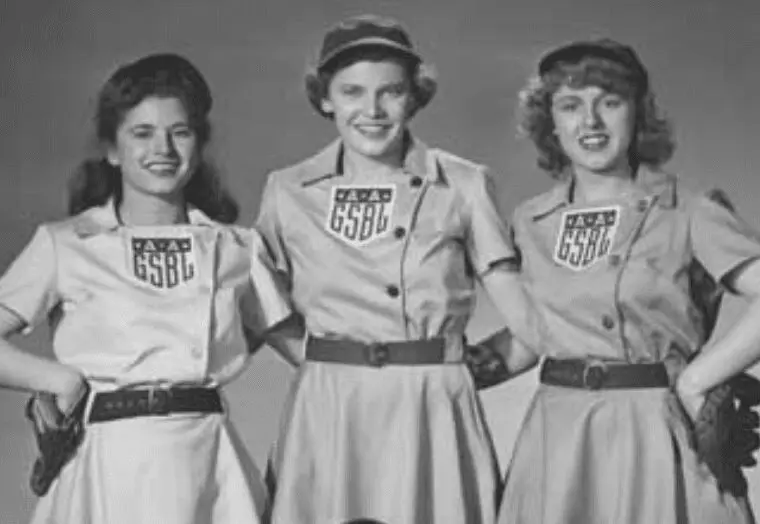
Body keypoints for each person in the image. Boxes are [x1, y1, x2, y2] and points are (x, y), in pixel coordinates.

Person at [257, 14, 539, 524]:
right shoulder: (287, 189)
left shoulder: (462, 184)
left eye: (390, 92)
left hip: (432, 408)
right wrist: (322, 363)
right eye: (351, 92)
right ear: (325, 98)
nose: (371, 110)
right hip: (330, 409)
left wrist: (460, 373)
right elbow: (260, 304)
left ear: (414, 97)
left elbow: (527, 319)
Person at [0, 53, 294, 524]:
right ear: (113, 150)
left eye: (180, 132)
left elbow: (313, 357)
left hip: (208, 467)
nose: (163, 148)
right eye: (142, 133)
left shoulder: (237, 247)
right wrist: (59, 379)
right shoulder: (65, 243)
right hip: (104, 463)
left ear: (199, 145)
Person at [497, 38, 760, 523]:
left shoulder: (688, 210)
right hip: (560, 437)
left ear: (638, 113)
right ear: (550, 122)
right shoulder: (532, 221)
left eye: (609, 102)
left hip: (655, 432)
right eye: (571, 105)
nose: (590, 122)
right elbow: (536, 335)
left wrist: (700, 378)